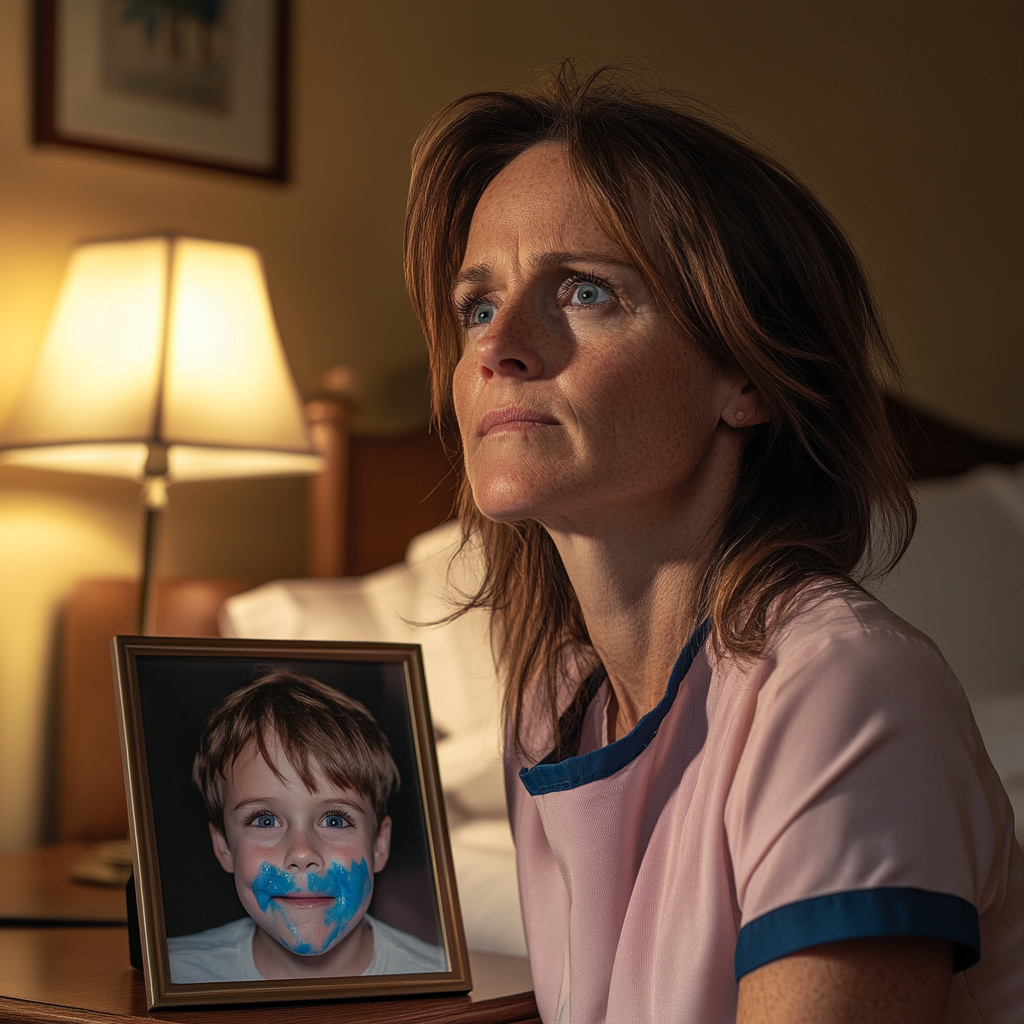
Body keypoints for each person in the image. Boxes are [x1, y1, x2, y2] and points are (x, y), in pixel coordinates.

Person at [403, 66, 1023, 1023]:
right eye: (476, 305)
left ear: (748, 376)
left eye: (583, 291)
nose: (497, 347)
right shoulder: (555, 709)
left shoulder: (843, 687)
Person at [167, 670, 446, 983]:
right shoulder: (173, 975)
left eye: (335, 820)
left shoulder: (437, 978)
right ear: (223, 846)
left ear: (380, 844)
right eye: (265, 820)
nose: (301, 853)